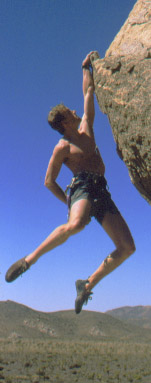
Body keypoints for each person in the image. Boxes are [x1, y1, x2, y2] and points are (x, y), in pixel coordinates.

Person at [5, 52, 135, 314]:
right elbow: (48, 181)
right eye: (69, 112)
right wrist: (67, 199)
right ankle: (29, 260)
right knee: (76, 223)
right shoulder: (62, 147)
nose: (76, 111)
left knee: (127, 247)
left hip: (101, 191)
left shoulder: (86, 127)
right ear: (64, 121)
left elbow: (89, 92)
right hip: (83, 187)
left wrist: (86, 67)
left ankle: (86, 285)